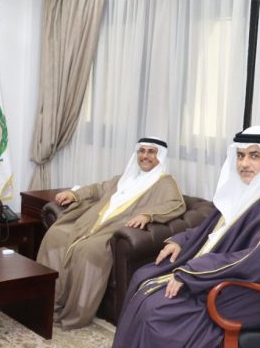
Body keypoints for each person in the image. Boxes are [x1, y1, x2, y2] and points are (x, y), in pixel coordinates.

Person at [80, 126, 260, 348]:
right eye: (240, 156)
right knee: (142, 277)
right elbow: (214, 230)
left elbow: (254, 260)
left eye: (254, 156)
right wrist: (180, 241)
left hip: (247, 294)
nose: (244, 164)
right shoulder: (255, 189)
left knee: (156, 311)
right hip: (227, 275)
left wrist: (191, 272)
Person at [36, 137, 186, 330]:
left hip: (115, 226)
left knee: (87, 250)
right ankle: (45, 299)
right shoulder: (127, 176)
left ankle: (73, 310)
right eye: (142, 151)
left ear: (161, 156)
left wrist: (148, 215)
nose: (145, 156)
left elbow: (176, 204)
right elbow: (98, 189)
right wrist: (75, 194)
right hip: (94, 220)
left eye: (151, 152)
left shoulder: (165, 182)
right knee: (55, 235)